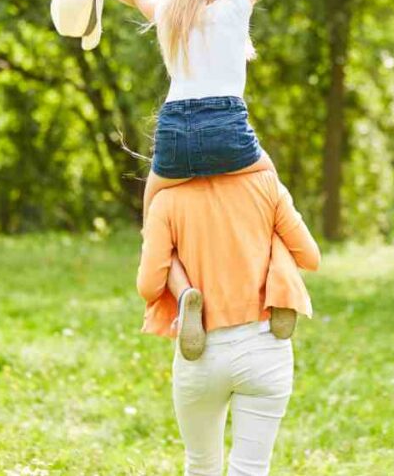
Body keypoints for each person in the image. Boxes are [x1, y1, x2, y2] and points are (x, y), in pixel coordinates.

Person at [91, 0, 304, 358]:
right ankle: (282, 288)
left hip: (176, 132)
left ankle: (180, 292)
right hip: (228, 124)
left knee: (156, 213)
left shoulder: (168, 12)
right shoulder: (235, 7)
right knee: (273, 199)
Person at [137, 169, 320, 476]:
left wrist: (152, 234)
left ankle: (187, 297)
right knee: (251, 470)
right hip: (265, 347)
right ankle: (281, 285)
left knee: (201, 466)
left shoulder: (166, 199)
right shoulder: (267, 184)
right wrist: (272, 236)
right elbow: (311, 257)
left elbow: (148, 286)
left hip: (201, 354)